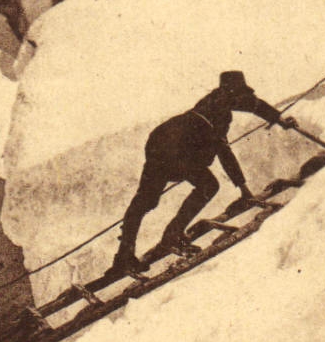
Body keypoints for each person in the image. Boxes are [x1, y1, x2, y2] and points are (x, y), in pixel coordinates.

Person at [111, 71, 296, 274]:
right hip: (176, 149)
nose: (243, 100)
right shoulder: (219, 111)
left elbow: (253, 105)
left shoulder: (215, 100)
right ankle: (172, 234)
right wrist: (244, 189)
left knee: (145, 201)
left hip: (159, 141)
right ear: (233, 93)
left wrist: (278, 119)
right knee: (208, 185)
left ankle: (123, 256)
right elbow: (226, 151)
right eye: (240, 94)